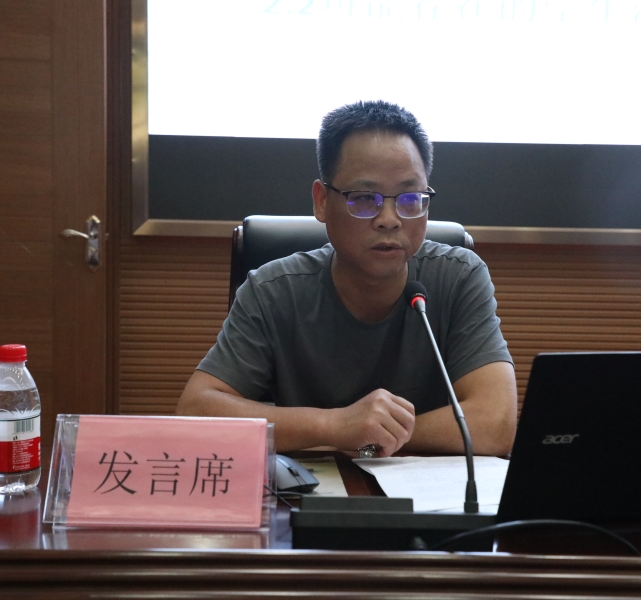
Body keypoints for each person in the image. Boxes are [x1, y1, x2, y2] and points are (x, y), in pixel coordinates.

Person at [176, 100, 518, 457]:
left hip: (424, 488)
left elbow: (495, 424)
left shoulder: (458, 277)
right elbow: (195, 412)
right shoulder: (273, 290)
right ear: (322, 201)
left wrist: (371, 435)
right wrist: (333, 426)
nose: (389, 219)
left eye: (409, 198)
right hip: (312, 487)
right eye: (365, 198)